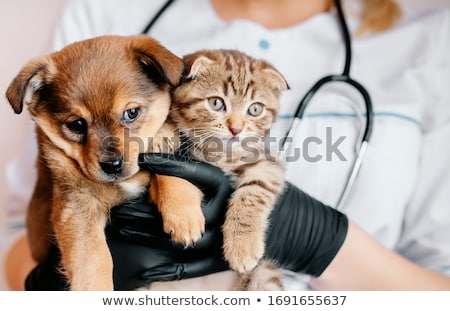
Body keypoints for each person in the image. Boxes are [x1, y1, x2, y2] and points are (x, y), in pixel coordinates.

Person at [4, 0, 450, 290]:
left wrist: (319, 240)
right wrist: (48, 286)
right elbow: (20, 224)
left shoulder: (428, 38)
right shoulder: (107, 14)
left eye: (131, 114)